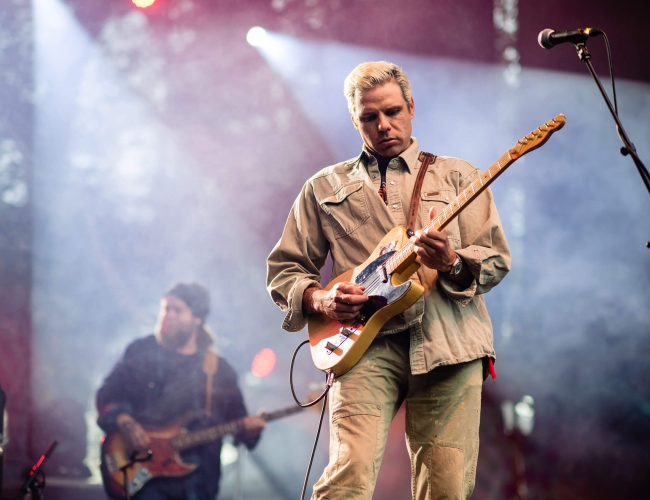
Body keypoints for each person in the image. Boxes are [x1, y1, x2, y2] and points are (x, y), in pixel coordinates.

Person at [266, 61, 511, 499]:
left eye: (393, 111)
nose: (383, 125)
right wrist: (321, 300)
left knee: (446, 488)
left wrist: (453, 261)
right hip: (363, 348)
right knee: (346, 479)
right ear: (354, 119)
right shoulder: (323, 187)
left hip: (450, 344)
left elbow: (495, 259)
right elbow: (284, 270)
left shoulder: (458, 175)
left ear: (411, 107)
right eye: (369, 117)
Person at [96, 282, 265, 500]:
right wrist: (125, 422)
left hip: (200, 485)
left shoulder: (219, 371)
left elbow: (238, 423)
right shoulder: (140, 351)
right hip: (145, 480)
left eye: (178, 310)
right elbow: (107, 394)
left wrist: (252, 431)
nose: (169, 315)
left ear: (197, 319)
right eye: (166, 308)